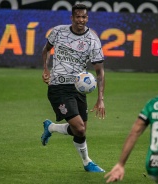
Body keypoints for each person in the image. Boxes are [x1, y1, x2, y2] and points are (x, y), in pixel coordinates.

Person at [40, 4, 106, 172]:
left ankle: (51, 127)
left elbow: (99, 71)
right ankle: (87, 162)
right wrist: (46, 69)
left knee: (81, 132)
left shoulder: (92, 40)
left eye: (84, 17)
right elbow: (46, 50)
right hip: (58, 87)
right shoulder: (58, 32)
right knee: (80, 128)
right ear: (72, 18)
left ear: (87, 18)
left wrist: (100, 99)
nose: (81, 20)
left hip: (78, 88)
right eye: (78, 17)